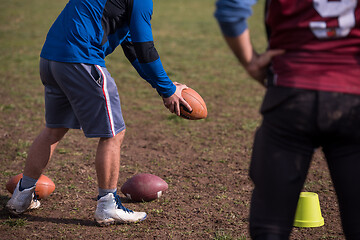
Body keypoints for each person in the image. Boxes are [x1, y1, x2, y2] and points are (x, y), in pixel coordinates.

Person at [6, 0, 192, 226]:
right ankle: (107, 205)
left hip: (50, 59)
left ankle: (21, 196)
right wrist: (168, 90)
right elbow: (145, 47)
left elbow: (133, 48)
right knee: (113, 134)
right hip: (82, 59)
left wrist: (164, 87)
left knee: (53, 130)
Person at [215, 0, 360, 239]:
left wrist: (250, 62)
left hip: (290, 96)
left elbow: (231, 8)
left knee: (270, 227)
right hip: (353, 97)